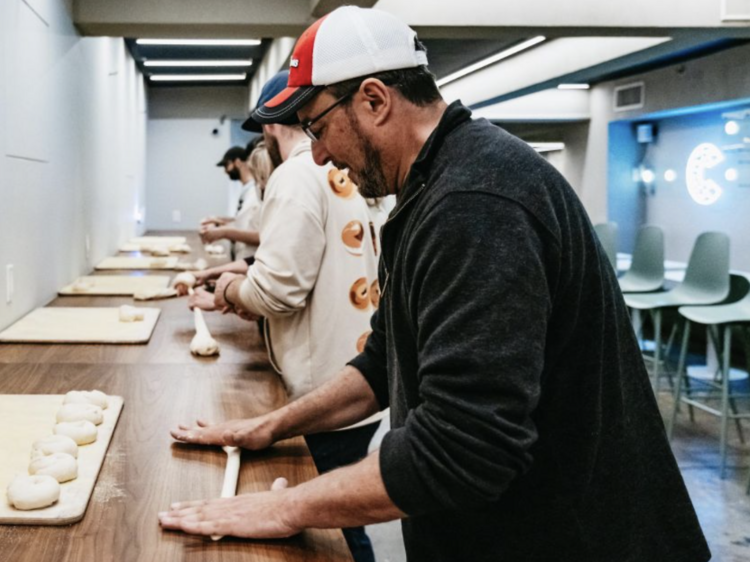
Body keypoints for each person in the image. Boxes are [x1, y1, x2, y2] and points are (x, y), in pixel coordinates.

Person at [159, 7, 711, 562]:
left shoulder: (475, 204)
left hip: (574, 539)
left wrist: (283, 507)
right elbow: (384, 362)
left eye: (320, 128)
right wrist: (269, 427)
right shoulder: (432, 188)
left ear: (374, 100)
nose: (320, 153)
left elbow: (462, 447)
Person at [189, 71, 386, 562]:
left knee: (335, 525)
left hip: (327, 385)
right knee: (341, 516)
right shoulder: (347, 173)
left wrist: (231, 288)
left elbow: (280, 290)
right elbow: (313, 263)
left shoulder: (297, 174)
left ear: (272, 128)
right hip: (360, 371)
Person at [202, 142, 270, 260]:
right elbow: (245, 221)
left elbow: (262, 234)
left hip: (252, 259)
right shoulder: (248, 191)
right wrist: (219, 222)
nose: (225, 171)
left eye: (226, 165)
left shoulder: (257, 193)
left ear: (238, 162)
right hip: (242, 258)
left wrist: (224, 232)